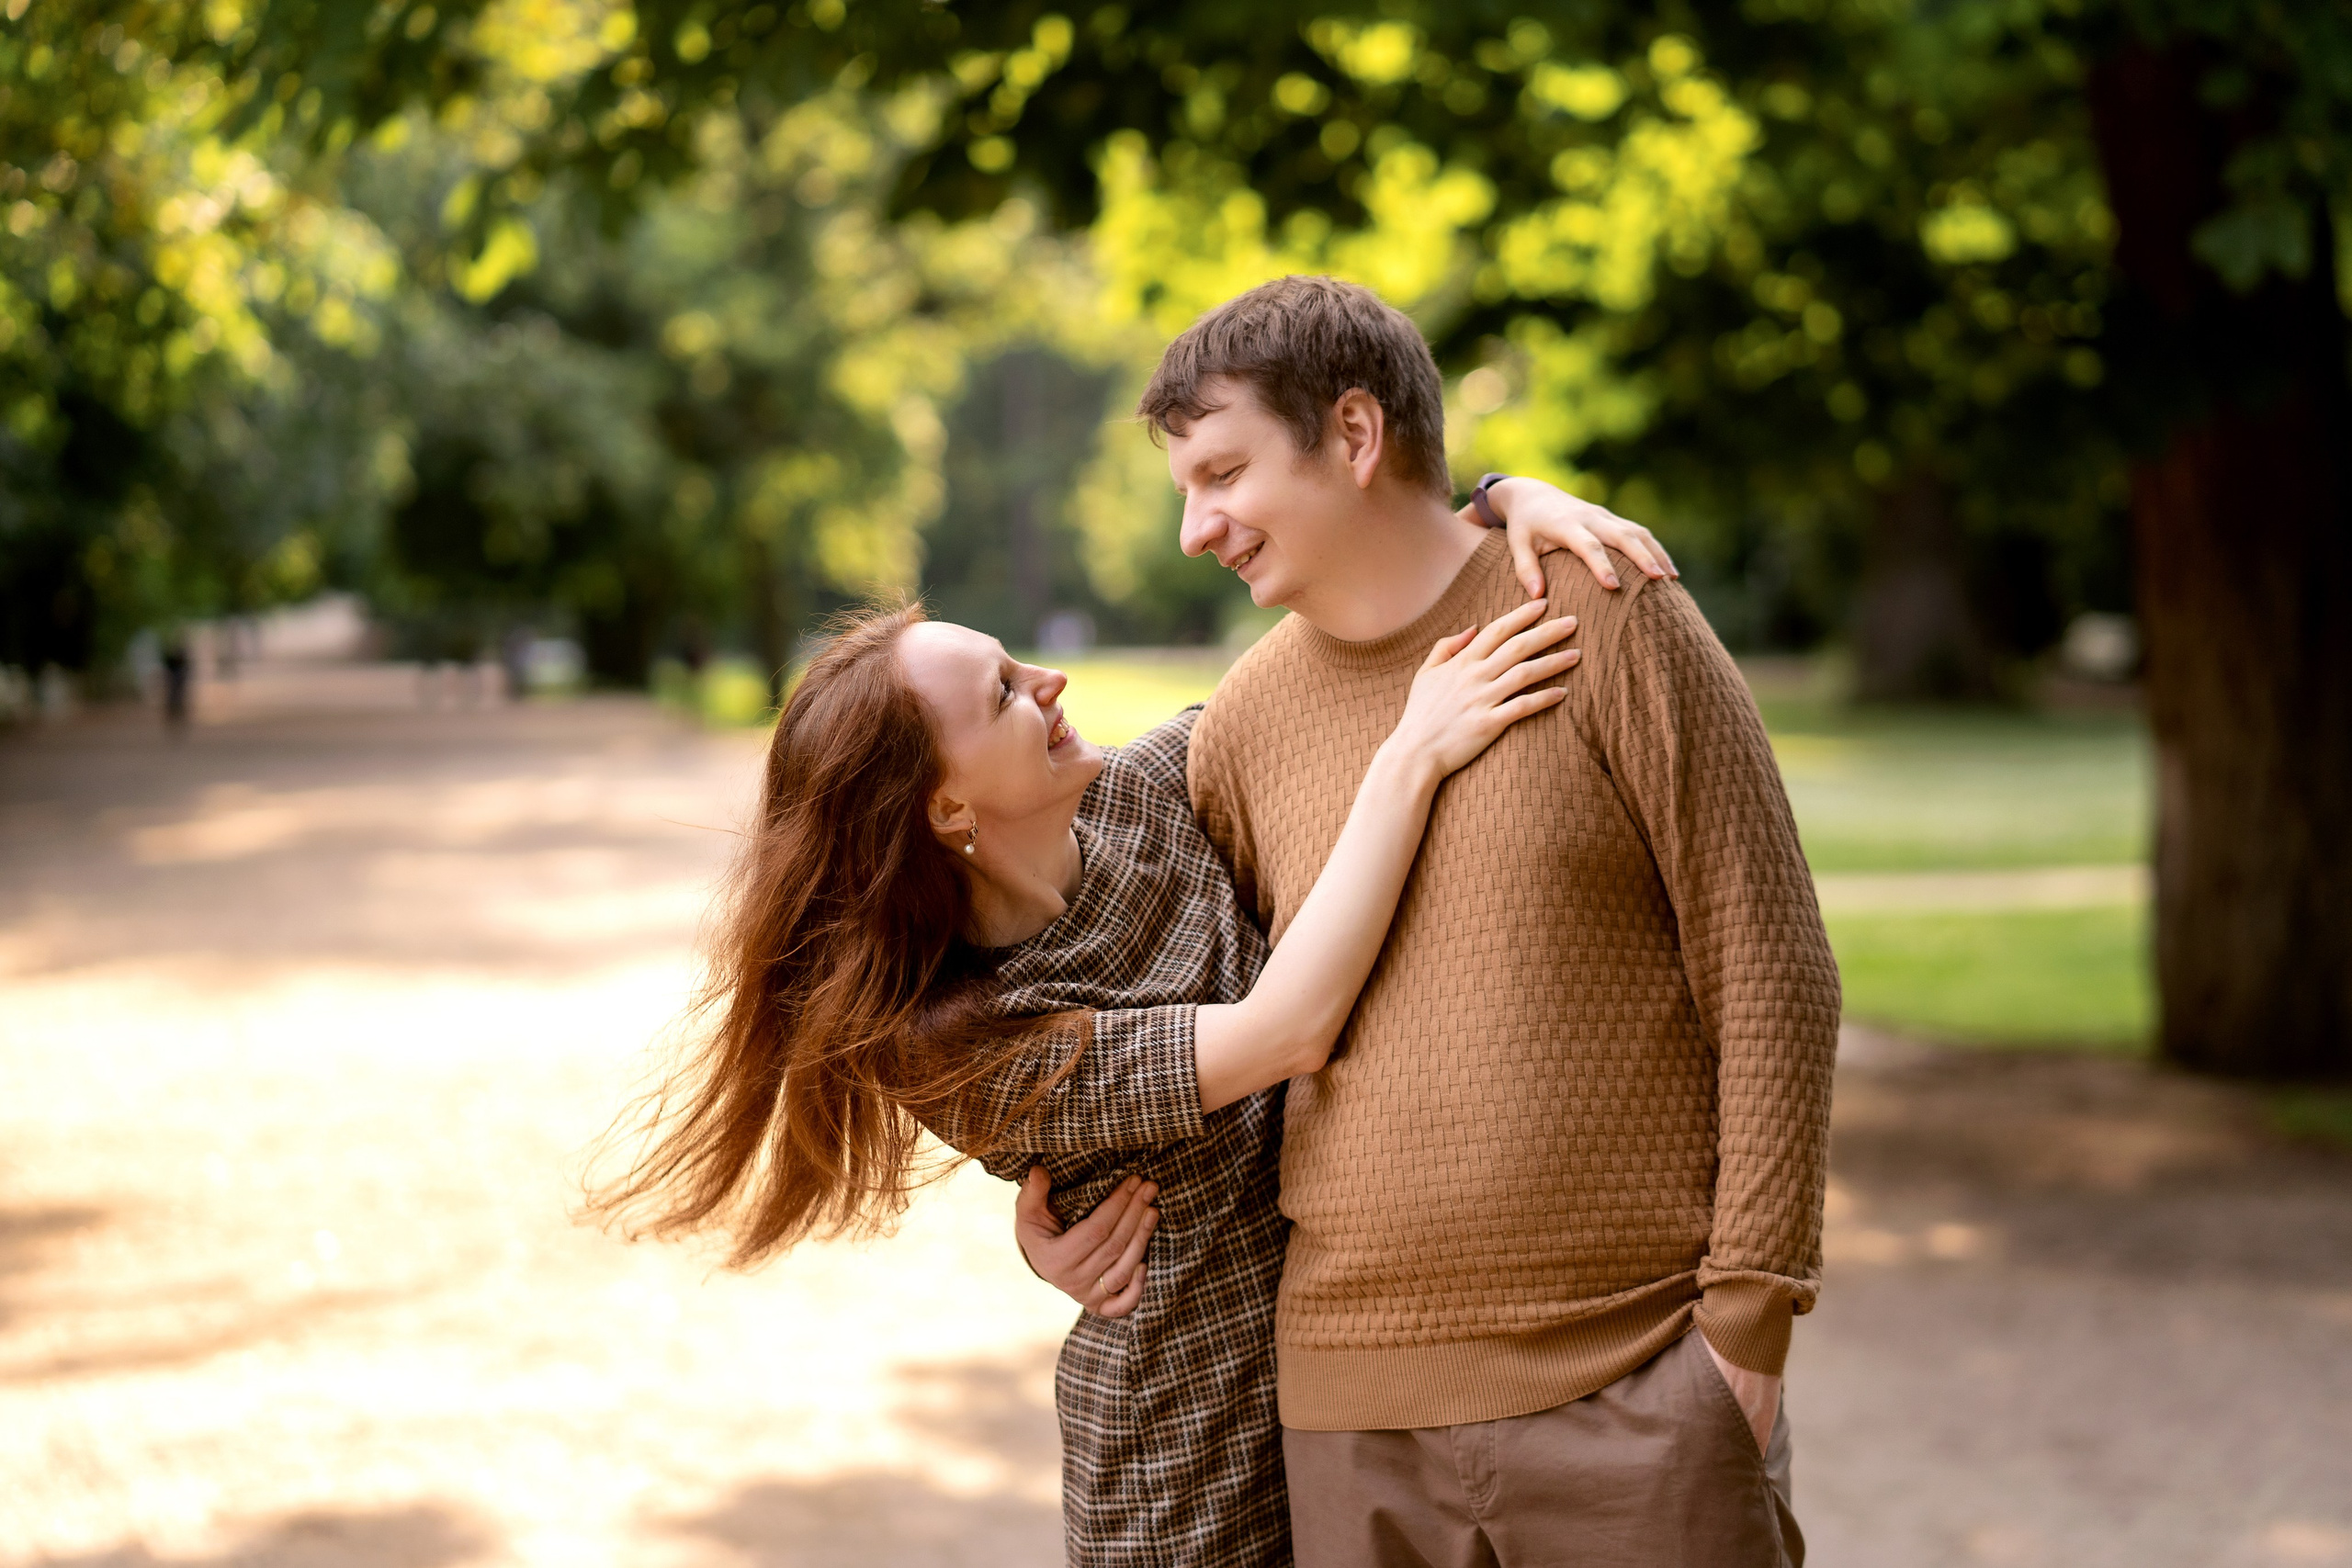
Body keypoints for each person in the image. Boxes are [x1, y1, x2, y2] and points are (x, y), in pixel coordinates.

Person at [589, 477, 1666, 1566]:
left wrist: (1494, 500)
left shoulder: (1145, 793)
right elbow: (1283, 1031)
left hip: (1352, 1411)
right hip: (1186, 1469)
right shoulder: (971, 1045)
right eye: (1007, 693)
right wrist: (1412, 756)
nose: (1050, 682)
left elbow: (1338, 617)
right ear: (947, 809)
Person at [1022, 276, 1841, 1567]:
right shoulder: (1233, 730)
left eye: (1224, 471)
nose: (1196, 528)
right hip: (1348, 1416)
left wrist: (1747, 1324)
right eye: (1185, 484)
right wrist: (1065, 1199)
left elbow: (1774, 968)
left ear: (1355, 436)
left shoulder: (1604, 610)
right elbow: (1144, 993)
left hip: (1633, 1379)